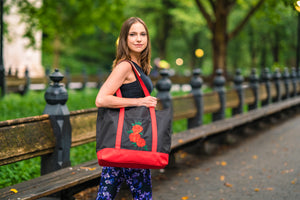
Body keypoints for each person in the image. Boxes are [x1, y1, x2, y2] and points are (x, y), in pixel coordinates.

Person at [95, 17, 157, 200]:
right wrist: (140, 102)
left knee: (108, 193)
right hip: (128, 140)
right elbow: (101, 99)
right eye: (133, 34)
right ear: (124, 39)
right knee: (142, 194)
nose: (138, 39)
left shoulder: (139, 66)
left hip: (128, 138)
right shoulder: (125, 66)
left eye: (142, 34)